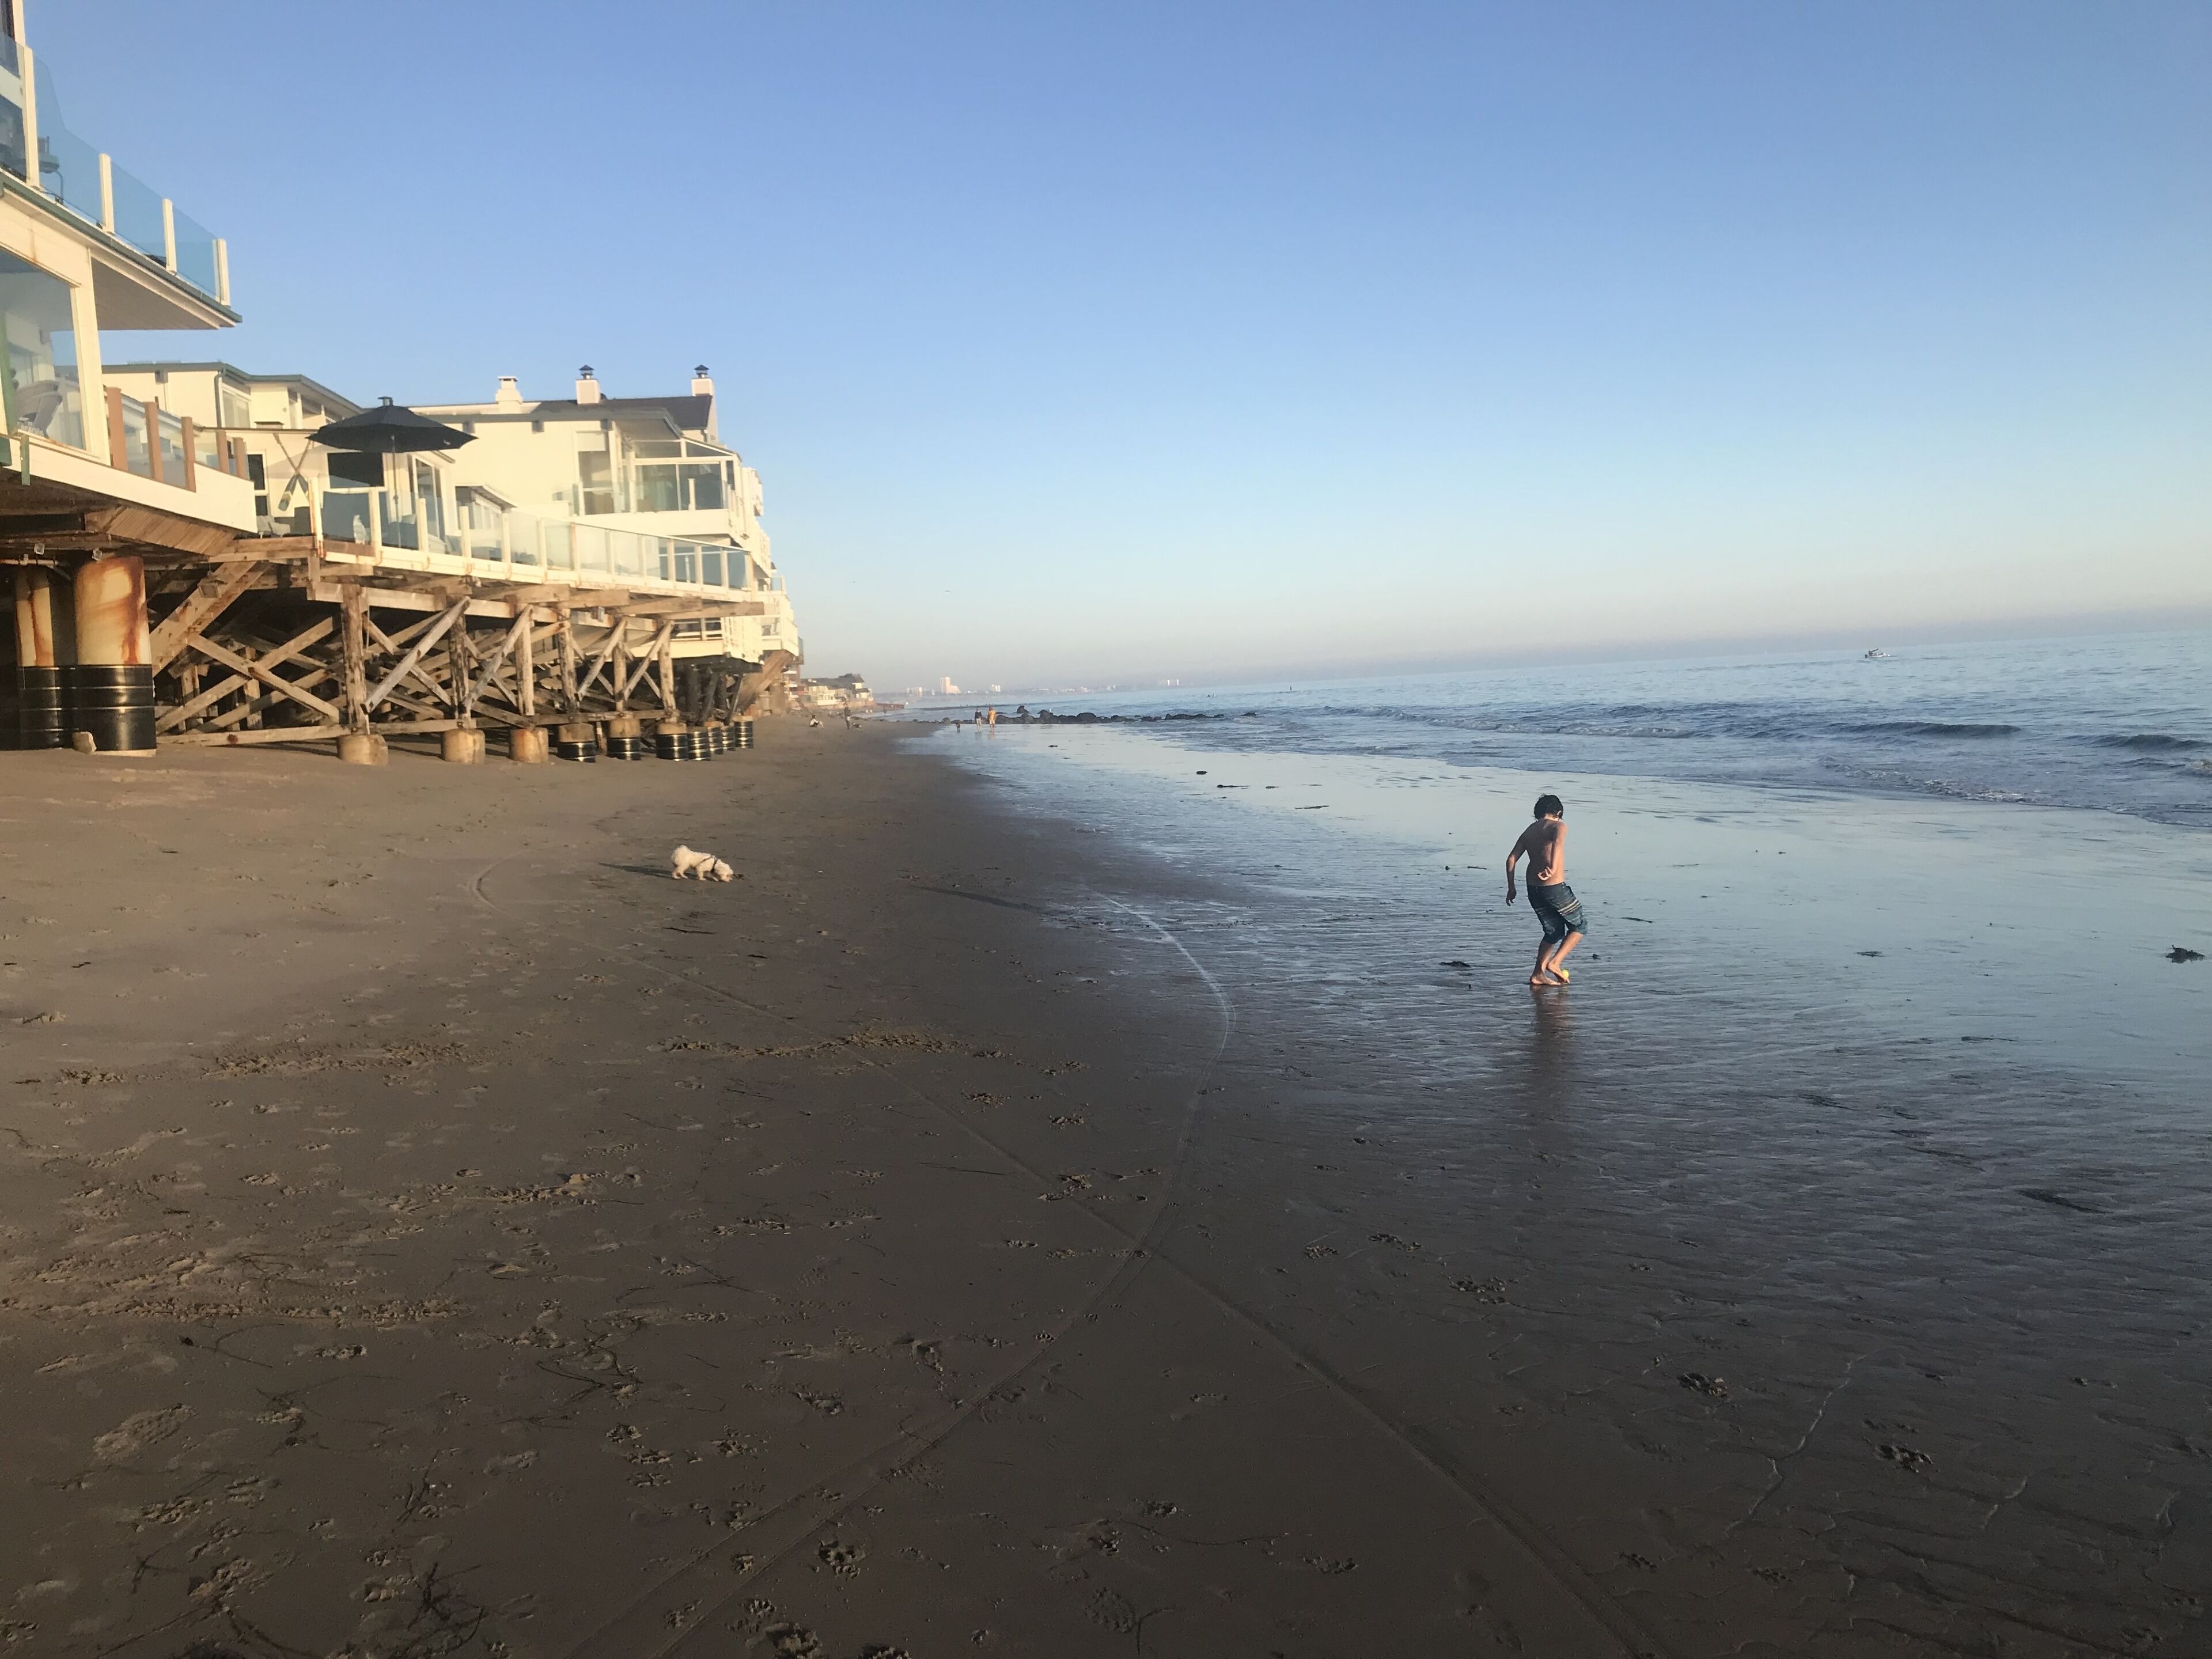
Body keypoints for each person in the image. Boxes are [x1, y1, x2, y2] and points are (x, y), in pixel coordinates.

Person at [1505, 793, 1586, 987]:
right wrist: (1551, 868)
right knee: (1580, 925)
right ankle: (1556, 963)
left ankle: (1537, 974)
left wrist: (1511, 887)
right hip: (1554, 887)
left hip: (1533, 889)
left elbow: (1511, 859)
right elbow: (1557, 844)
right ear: (1558, 812)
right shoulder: (1559, 826)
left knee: (1554, 931)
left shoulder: (1529, 830)